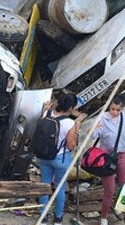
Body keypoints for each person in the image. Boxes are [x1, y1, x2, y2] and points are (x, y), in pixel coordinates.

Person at [92, 95, 125, 225]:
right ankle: (104, 217)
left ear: (122, 109)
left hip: (122, 155)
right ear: (109, 107)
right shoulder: (103, 118)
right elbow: (94, 134)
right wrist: (94, 128)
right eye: (113, 109)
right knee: (110, 190)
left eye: (118, 110)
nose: (115, 112)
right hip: (106, 157)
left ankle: (120, 208)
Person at [37, 92, 79, 225]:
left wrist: (45, 109)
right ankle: (58, 218)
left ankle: (43, 218)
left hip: (43, 156)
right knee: (60, 188)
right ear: (71, 108)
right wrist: (77, 131)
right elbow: (71, 145)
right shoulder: (69, 123)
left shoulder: (47, 114)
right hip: (60, 159)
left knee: (45, 185)